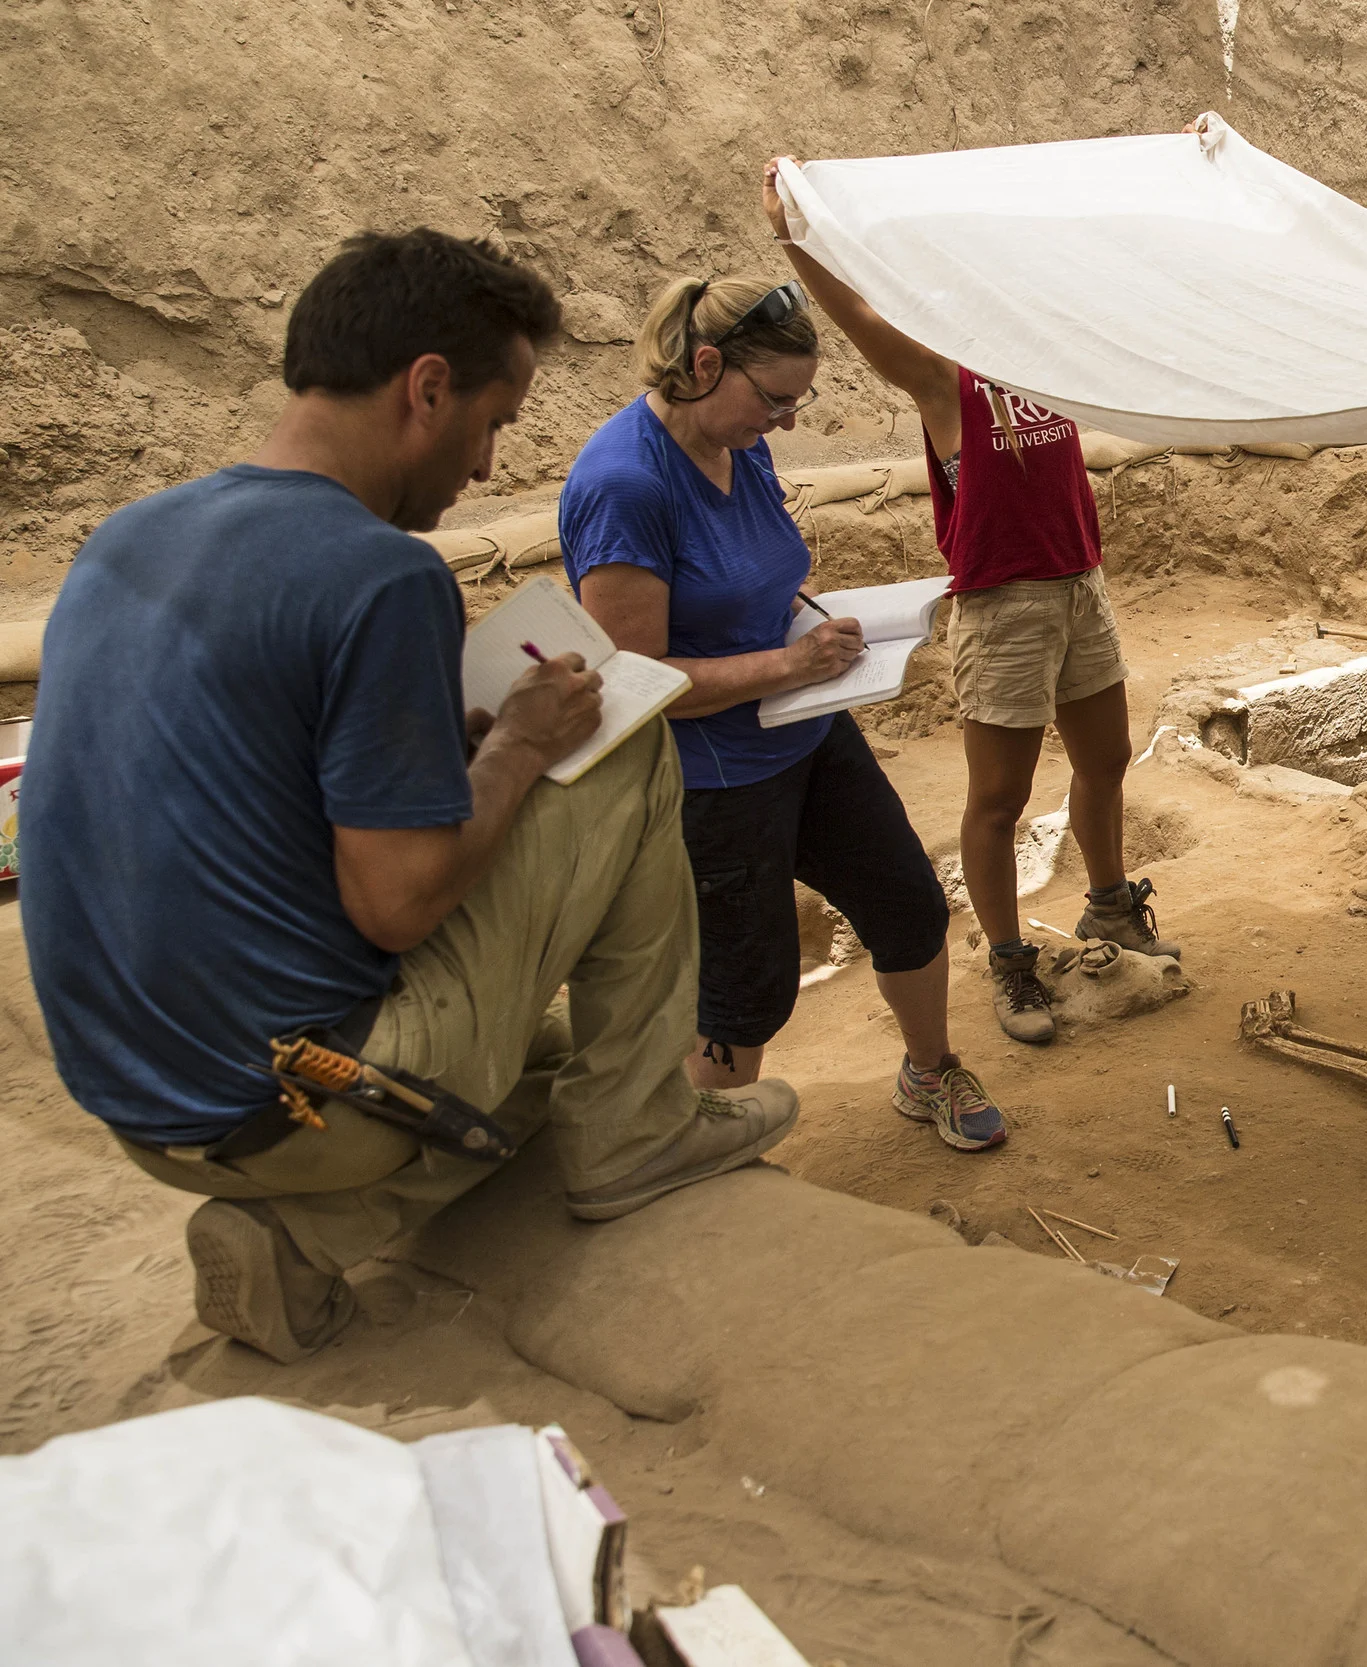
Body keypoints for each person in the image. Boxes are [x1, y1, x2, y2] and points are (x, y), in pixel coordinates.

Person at [18, 231, 797, 1364]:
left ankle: (313, 1236)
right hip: (308, 1102)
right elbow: (397, 903)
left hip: (142, 1101)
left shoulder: (127, 537)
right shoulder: (378, 572)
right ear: (426, 387)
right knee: (626, 727)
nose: (485, 468)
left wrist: (465, 742)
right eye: (492, 425)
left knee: (551, 1048)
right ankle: (636, 1135)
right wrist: (520, 746)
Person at [561, 275, 1006, 1153]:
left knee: (909, 906)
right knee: (743, 990)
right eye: (775, 401)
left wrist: (817, 628)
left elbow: (762, 572)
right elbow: (632, 677)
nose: (787, 424)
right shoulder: (624, 486)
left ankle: (931, 1069)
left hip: (804, 728)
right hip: (714, 777)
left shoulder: (743, 444)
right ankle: (706, 1155)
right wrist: (787, 664)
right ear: (705, 364)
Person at [761, 159, 1177, 1048]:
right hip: (1005, 607)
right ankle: (1009, 958)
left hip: (1080, 589)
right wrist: (795, 238)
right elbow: (862, 321)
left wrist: (1175, 185)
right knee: (1000, 797)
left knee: (1105, 759)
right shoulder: (945, 380)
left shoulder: (1053, 361)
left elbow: (1115, 271)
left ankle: (1108, 906)